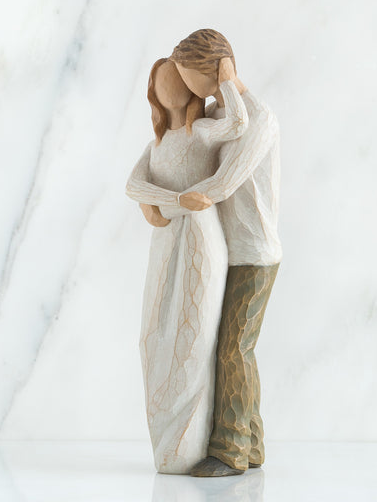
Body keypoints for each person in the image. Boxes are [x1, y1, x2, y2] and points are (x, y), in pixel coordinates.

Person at [141, 29, 282, 477]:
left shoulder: (258, 119)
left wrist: (169, 203)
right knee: (229, 345)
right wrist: (151, 197)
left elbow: (220, 186)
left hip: (253, 250)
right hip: (228, 248)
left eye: (190, 77)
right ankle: (252, 441)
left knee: (233, 348)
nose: (186, 88)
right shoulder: (219, 114)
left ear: (217, 71)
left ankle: (230, 451)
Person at [125, 56, 248, 474]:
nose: (168, 83)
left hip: (200, 238)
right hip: (167, 240)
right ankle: (166, 446)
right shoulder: (157, 144)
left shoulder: (205, 130)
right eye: (160, 79)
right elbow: (133, 185)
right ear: (153, 93)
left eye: (175, 76)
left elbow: (239, 123)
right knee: (154, 334)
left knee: (193, 337)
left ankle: (189, 445)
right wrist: (170, 201)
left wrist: (227, 78)